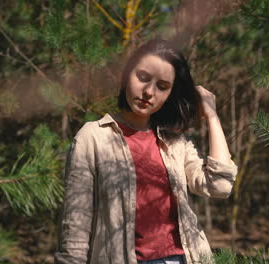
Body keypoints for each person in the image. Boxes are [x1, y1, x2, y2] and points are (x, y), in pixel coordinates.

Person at [54, 39, 238, 264]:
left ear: (170, 93)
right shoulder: (93, 137)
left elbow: (220, 185)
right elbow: (76, 224)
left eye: (162, 86)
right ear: (126, 76)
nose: (149, 91)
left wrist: (212, 116)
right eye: (142, 77)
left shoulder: (174, 143)